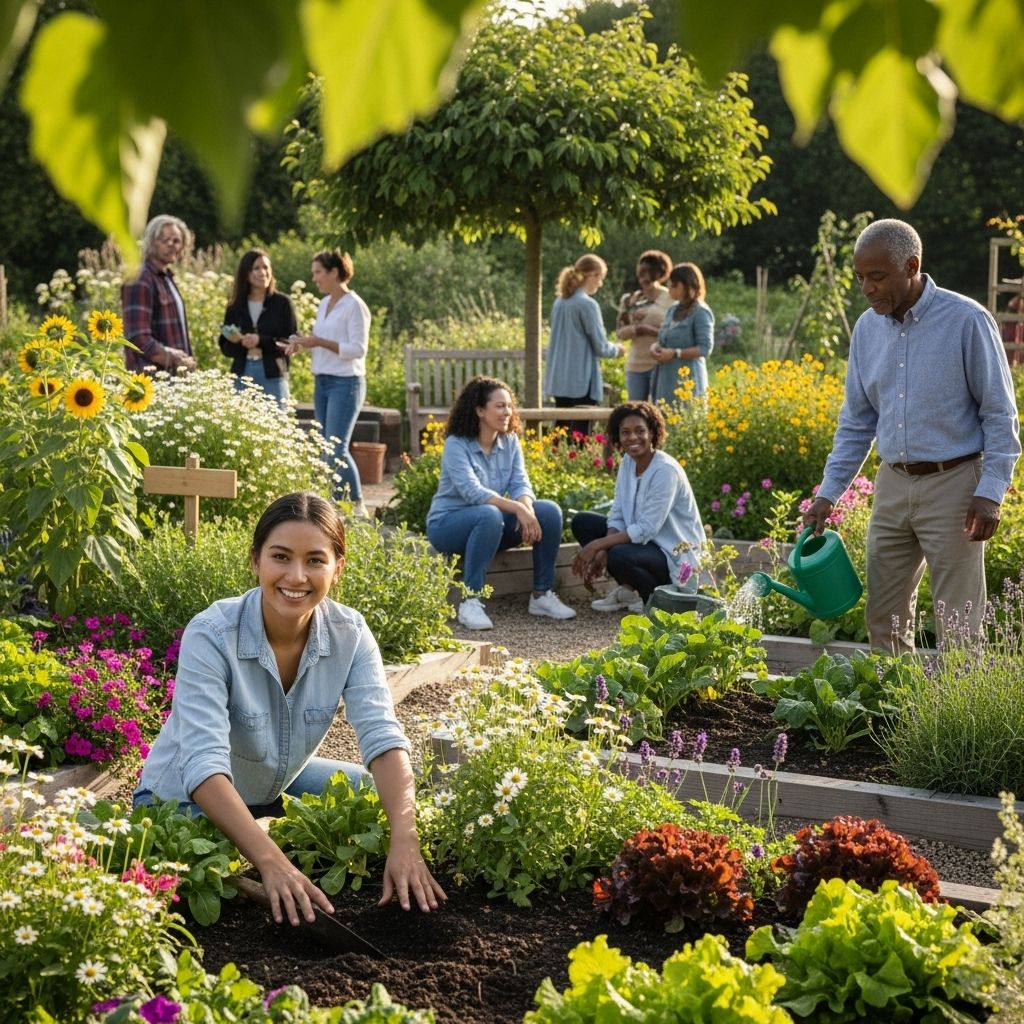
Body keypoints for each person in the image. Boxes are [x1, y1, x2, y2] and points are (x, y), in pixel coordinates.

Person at [134, 492, 445, 925]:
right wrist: (275, 864)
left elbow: (382, 735)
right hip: (181, 800)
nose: (296, 576)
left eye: (315, 560)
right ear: (255, 561)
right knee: (202, 862)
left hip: (271, 788)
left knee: (392, 799)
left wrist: (405, 840)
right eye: (280, 556)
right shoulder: (210, 634)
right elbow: (203, 766)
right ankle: (259, 847)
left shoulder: (350, 634)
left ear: (338, 569)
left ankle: (265, 835)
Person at [802, 218, 1021, 653]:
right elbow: (856, 423)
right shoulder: (866, 330)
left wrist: (991, 491)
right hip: (893, 485)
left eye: (877, 276)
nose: (867, 288)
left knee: (959, 624)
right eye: (861, 277)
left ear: (912, 265)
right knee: (884, 618)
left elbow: (1000, 414)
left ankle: (962, 718)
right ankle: (895, 715)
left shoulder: (967, 320)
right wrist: (828, 494)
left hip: (955, 485)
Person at [426, 376, 577, 631]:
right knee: (488, 513)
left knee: (548, 511)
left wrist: (527, 508)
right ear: (479, 410)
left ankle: (541, 595)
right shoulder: (456, 444)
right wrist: (518, 509)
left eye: (509, 406)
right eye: (499, 406)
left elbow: (520, 482)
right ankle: (470, 601)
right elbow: (472, 492)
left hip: (489, 524)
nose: (507, 412)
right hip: (447, 526)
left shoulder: (509, 441)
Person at [571, 400, 705, 612]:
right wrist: (603, 547)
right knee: (583, 523)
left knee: (618, 553)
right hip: (646, 546)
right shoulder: (628, 462)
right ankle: (628, 592)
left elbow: (646, 529)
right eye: (625, 432)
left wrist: (598, 546)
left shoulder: (665, 470)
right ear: (618, 436)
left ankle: (658, 603)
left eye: (640, 430)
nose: (632, 437)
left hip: (675, 555)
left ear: (652, 432)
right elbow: (617, 513)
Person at [283, 250, 370, 516]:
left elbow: (358, 349)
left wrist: (318, 341)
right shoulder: (324, 304)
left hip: (346, 383)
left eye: (318, 272)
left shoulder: (355, 305)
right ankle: (334, 505)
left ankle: (357, 506)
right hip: (322, 381)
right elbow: (323, 342)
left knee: (336, 447)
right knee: (326, 447)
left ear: (334, 272)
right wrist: (302, 344)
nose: (314, 278)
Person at [543, 254, 624, 437]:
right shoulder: (587, 304)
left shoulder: (560, 302)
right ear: (592, 275)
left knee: (560, 432)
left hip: (560, 377)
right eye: (600, 277)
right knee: (580, 435)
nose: (600, 283)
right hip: (581, 378)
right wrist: (617, 350)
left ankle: (555, 465)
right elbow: (601, 346)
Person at [219, 249, 297, 409]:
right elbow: (224, 347)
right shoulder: (235, 305)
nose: (263, 272)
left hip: (273, 375)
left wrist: (261, 340)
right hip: (242, 373)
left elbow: (291, 342)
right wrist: (238, 342)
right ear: (246, 273)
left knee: (277, 427)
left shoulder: (282, 303)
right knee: (239, 429)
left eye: (266, 267)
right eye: (257, 268)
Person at [122, 214, 197, 374]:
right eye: (164, 239)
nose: (171, 244)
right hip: (150, 381)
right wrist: (174, 358)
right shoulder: (140, 278)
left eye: (177, 241)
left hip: (173, 379)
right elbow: (137, 338)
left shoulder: (166, 278)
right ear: (151, 241)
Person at [650, 262, 714, 406]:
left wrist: (675, 353)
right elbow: (663, 339)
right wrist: (655, 348)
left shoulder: (701, 312)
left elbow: (705, 348)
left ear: (686, 286)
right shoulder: (672, 309)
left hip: (688, 382)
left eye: (673, 285)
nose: (669, 288)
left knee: (685, 421)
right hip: (665, 379)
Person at [616, 250, 674, 401]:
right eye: (641, 274)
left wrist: (646, 329)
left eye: (648, 274)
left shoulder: (670, 299)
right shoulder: (630, 300)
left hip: (660, 363)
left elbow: (674, 332)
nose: (643, 279)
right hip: (636, 364)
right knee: (636, 409)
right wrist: (636, 329)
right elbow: (620, 333)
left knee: (659, 409)